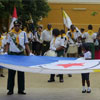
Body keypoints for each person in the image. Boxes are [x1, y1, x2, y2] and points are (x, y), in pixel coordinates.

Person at [5, 20, 31, 95]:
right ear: (13, 26)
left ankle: (21, 89)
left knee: (21, 72)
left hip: (21, 55)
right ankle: (10, 89)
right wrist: (6, 52)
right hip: (12, 55)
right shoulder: (10, 33)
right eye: (15, 25)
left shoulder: (24, 33)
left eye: (18, 26)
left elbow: (26, 44)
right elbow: (7, 44)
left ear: (20, 26)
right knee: (11, 73)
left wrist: (29, 53)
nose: (17, 27)